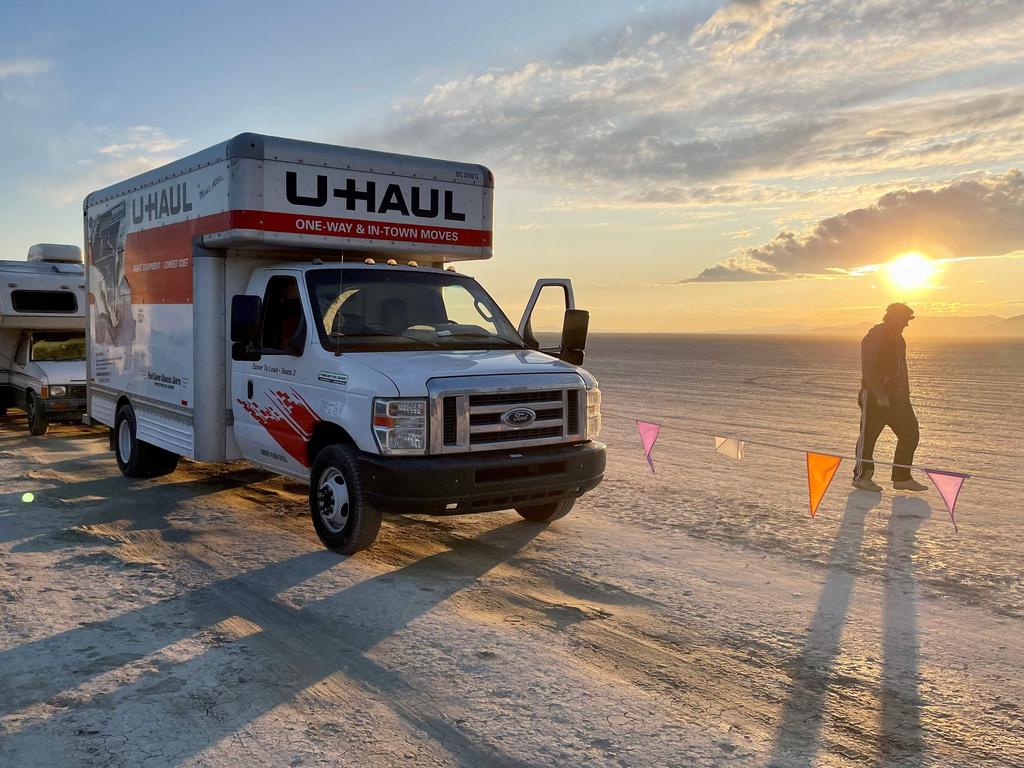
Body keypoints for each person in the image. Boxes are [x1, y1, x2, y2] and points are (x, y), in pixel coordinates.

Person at [852, 303, 928, 492]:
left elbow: (902, 368)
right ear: (894, 317)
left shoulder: (899, 339)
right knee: (868, 437)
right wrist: (880, 394)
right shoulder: (875, 336)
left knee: (910, 432)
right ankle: (862, 476)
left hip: (898, 398)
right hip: (876, 397)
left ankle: (902, 477)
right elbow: (867, 367)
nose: (906, 325)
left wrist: (906, 393)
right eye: (905, 320)